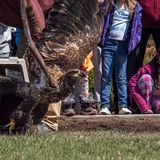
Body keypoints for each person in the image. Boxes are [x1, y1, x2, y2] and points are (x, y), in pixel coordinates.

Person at [99, 0, 142, 115]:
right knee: (106, 75)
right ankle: (104, 105)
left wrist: (133, 43)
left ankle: (123, 105)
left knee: (121, 77)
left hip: (122, 45)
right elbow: (99, 17)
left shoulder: (134, 7)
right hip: (108, 43)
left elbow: (138, 28)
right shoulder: (109, 4)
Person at [127, 0, 160, 80]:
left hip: (159, 25)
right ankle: (132, 88)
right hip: (141, 23)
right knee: (135, 58)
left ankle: (157, 89)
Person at [61, 51, 98, 116]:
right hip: (69, 49)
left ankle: (85, 106)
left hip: (83, 50)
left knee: (84, 77)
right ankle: (67, 105)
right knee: (69, 74)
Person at [129, 47, 160, 114]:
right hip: (149, 99)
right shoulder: (147, 68)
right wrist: (143, 105)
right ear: (157, 55)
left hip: (158, 100)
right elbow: (132, 83)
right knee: (146, 79)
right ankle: (146, 108)